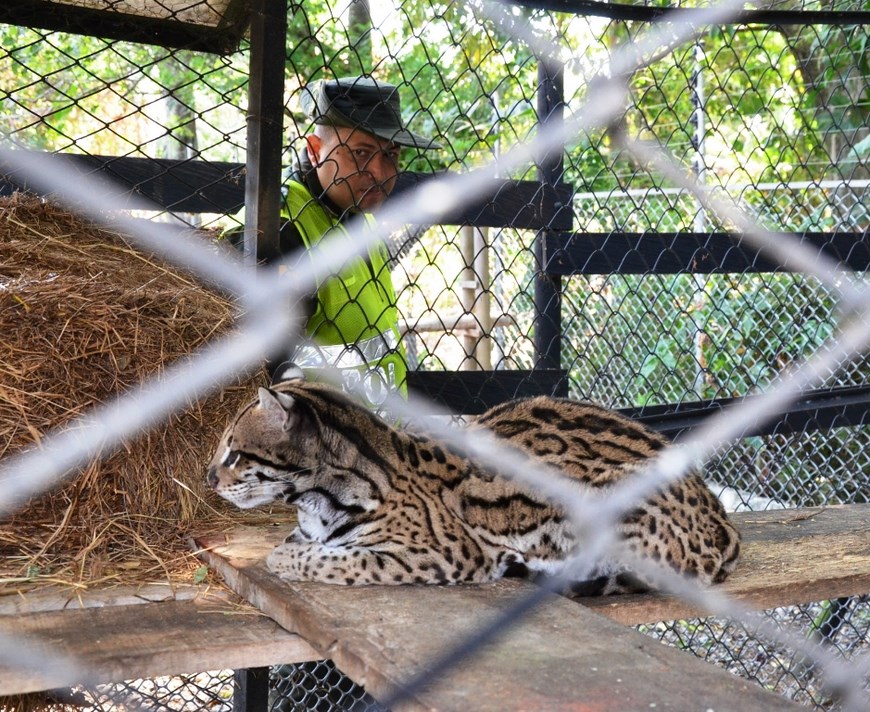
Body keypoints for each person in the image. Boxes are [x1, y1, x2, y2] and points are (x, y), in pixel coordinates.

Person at [276, 76, 440, 405]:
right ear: (315, 150)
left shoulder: (360, 217)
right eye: (361, 153)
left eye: (391, 155)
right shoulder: (283, 227)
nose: (380, 173)